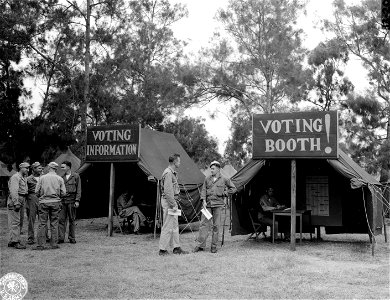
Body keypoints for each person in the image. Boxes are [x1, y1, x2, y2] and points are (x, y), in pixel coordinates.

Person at [194, 161, 237, 253]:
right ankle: (200, 245)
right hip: (208, 205)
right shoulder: (207, 179)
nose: (211, 170)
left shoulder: (225, 179)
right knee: (203, 225)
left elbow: (233, 189)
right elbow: (204, 190)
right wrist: (204, 201)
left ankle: (214, 246)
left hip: (218, 206)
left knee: (216, 226)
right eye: (211, 168)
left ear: (218, 169)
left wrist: (224, 193)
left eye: (213, 169)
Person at [158, 153, 188, 256]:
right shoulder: (168, 173)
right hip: (169, 202)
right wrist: (173, 204)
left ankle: (176, 247)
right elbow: (168, 191)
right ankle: (162, 249)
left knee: (175, 225)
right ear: (175, 162)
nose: (180, 163)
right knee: (167, 225)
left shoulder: (172, 173)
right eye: (179, 161)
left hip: (172, 201)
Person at [34, 162, 66, 250]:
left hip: (43, 202)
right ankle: (54, 244)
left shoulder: (42, 178)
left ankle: (41, 244)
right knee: (54, 223)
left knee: (42, 223)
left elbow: (36, 191)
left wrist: (42, 195)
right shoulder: (59, 178)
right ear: (56, 169)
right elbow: (63, 193)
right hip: (55, 202)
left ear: (49, 168)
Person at [7, 162, 30, 249]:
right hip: (15, 199)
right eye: (26, 168)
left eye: (28, 168)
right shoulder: (16, 177)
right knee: (15, 221)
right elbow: (14, 191)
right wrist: (16, 202)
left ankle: (13, 240)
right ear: (21, 168)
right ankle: (15, 241)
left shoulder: (24, 177)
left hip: (22, 198)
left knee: (19, 221)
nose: (28, 170)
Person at [58, 160, 81, 244]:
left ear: (68, 167)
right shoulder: (61, 177)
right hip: (63, 201)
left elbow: (79, 189)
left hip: (72, 200)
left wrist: (77, 200)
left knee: (72, 220)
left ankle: (72, 237)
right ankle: (60, 238)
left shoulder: (76, 176)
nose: (62, 169)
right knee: (61, 220)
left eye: (63, 167)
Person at [26, 162, 47, 244]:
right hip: (32, 198)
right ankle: (30, 238)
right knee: (31, 219)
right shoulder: (28, 179)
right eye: (39, 168)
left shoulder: (44, 177)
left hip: (42, 198)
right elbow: (25, 191)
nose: (41, 170)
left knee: (43, 218)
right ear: (33, 169)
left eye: (41, 168)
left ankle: (45, 236)